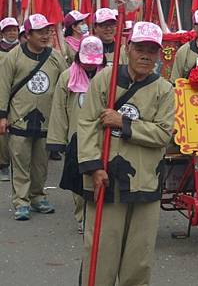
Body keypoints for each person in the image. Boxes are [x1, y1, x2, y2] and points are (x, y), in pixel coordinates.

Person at [78, 21, 175, 285]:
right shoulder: (104, 80)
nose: (145, 55)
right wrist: (94, 167)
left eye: (152, 50)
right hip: (106, 177)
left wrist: (124, 123)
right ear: (128, 48)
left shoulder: (164, 90)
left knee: (138, 258)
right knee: (101, 254)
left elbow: (163, 134)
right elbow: (86, 123)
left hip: (145, 180)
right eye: (139, 48)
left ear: (158, 54)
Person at [0, 14, 68, 220]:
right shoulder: (13, 56)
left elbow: (65, 85)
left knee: (40, 163)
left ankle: (38, 196)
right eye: (40, 32)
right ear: (27, 35)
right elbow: (3, 86)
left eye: (47, 31)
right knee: (20, 161)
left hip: (47, 120)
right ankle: (21, 201)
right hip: (19, 119)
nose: (45, 35)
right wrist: (2, 116)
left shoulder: (55, 56)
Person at [47, 36, 106, 234]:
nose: (89, 66)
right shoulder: (67, 77)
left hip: (103, 135)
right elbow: (59, 109)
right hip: (76, 136)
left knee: (100, 177)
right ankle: (82, 216)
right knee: (79, 180)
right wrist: (57, 141)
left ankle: (99, 215)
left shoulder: (108, 76)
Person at [0, 17, 20, 181]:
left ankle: (19, 164)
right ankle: (3, 164)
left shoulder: (24, 50)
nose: (12, 33)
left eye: (14, 30)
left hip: (19, 95)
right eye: (8, 30)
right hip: (2, 92)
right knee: (2, 131)